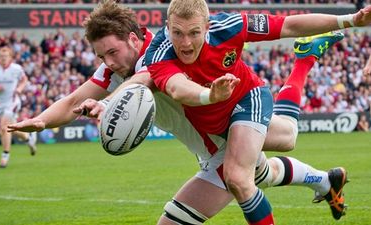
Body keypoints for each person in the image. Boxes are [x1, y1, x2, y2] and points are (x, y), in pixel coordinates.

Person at [8, 0, 347, 223]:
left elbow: (148, 78)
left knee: (259, 161)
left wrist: (108, 102)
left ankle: (303, 61)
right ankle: (324, 180)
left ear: (134, 38)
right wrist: (42, 120)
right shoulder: (114, 71)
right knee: (267, 164)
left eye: (112, 52)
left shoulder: (161, 52)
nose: (108, 62)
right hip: (216, 138)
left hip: (227, 126)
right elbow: (71, 102)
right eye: (101, 57)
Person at [141, 0, 370, 224]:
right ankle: (326, 180)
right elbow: (177, 88)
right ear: (167, 26)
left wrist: (349, 20)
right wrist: (209, 95)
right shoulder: (160, 51)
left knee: (238, 178)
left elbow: (287, 25)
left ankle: (305, 61)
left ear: (208, 26)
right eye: (177, 33)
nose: (186, 43)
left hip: (247, 100)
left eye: (194, 33)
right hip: (218, 126)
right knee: (278, 150)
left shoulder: (230, 26)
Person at [0, 46, 37, 168]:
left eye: (6, 56)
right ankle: (28, 138)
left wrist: (19, 88)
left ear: (10, 57)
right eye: (1, 56)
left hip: (13, 102)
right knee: (11, 128)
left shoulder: (16, 69)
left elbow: (24, 80)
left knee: (4, 127)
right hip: (1, 104)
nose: (3, 58)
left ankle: (5, 156)